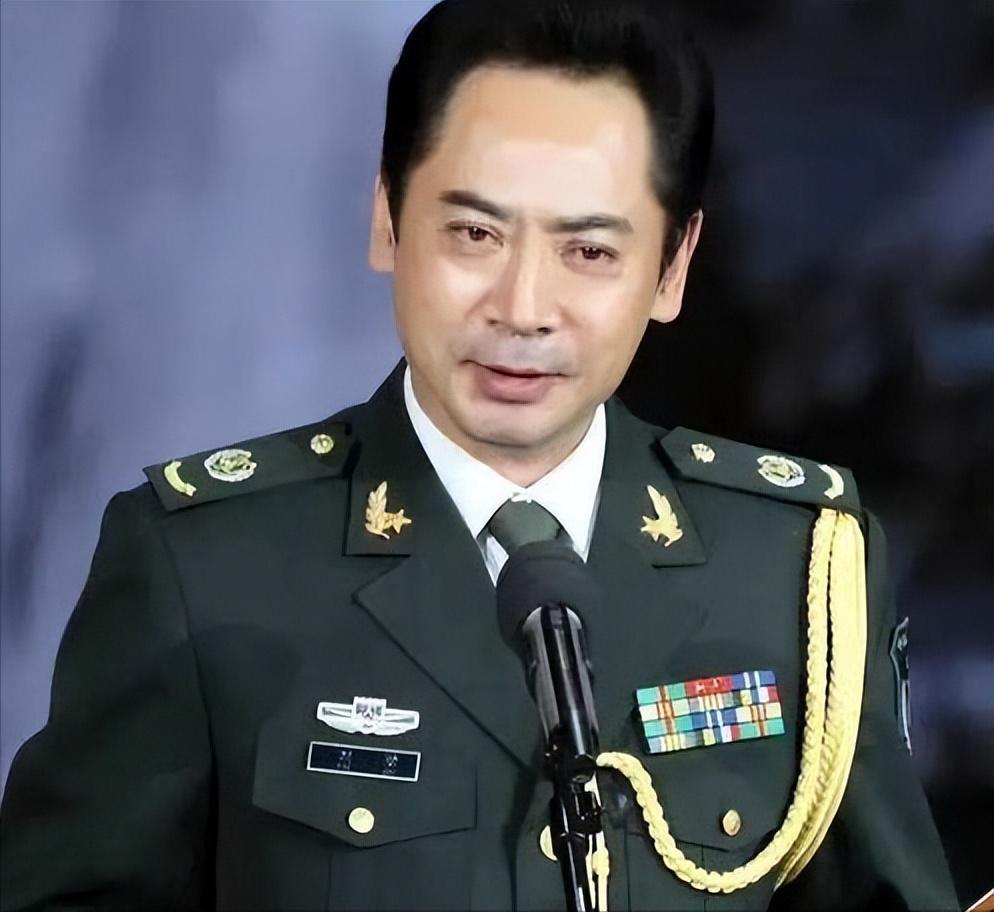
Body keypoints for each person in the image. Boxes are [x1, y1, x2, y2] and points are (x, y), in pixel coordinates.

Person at [0, 1, 958, 909]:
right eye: (474, 234)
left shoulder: (794, 572)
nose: (522, 308)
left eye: (589, 253)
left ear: (673, 268)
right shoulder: (203, 566)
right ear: (387, 219)